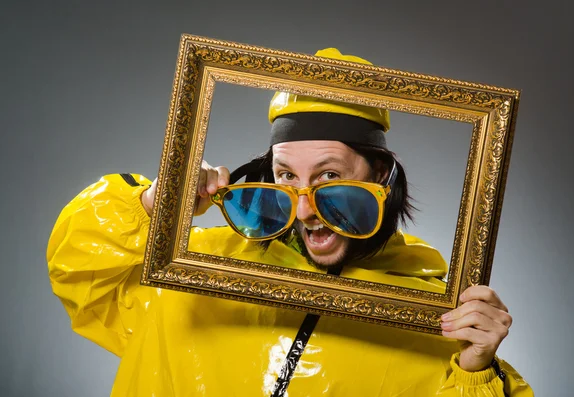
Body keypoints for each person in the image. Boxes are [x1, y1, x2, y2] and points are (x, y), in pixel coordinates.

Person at [47, 48, 533, 396]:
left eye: (328, 176)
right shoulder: (196, 271)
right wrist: (154, 204)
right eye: (285, 176)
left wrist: (474, 372)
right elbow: (81, 272)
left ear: (380, 175)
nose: (304, 210)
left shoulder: (434, 318)